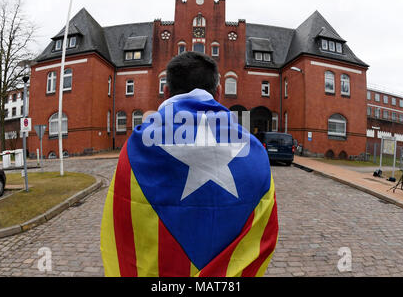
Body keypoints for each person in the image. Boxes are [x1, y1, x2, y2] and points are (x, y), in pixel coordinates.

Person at [101, 51, 278, 277]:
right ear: (219, 93)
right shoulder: (255, 152)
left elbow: (120, 225)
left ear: (166, 92)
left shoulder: (136, 146)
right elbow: (265, 234)